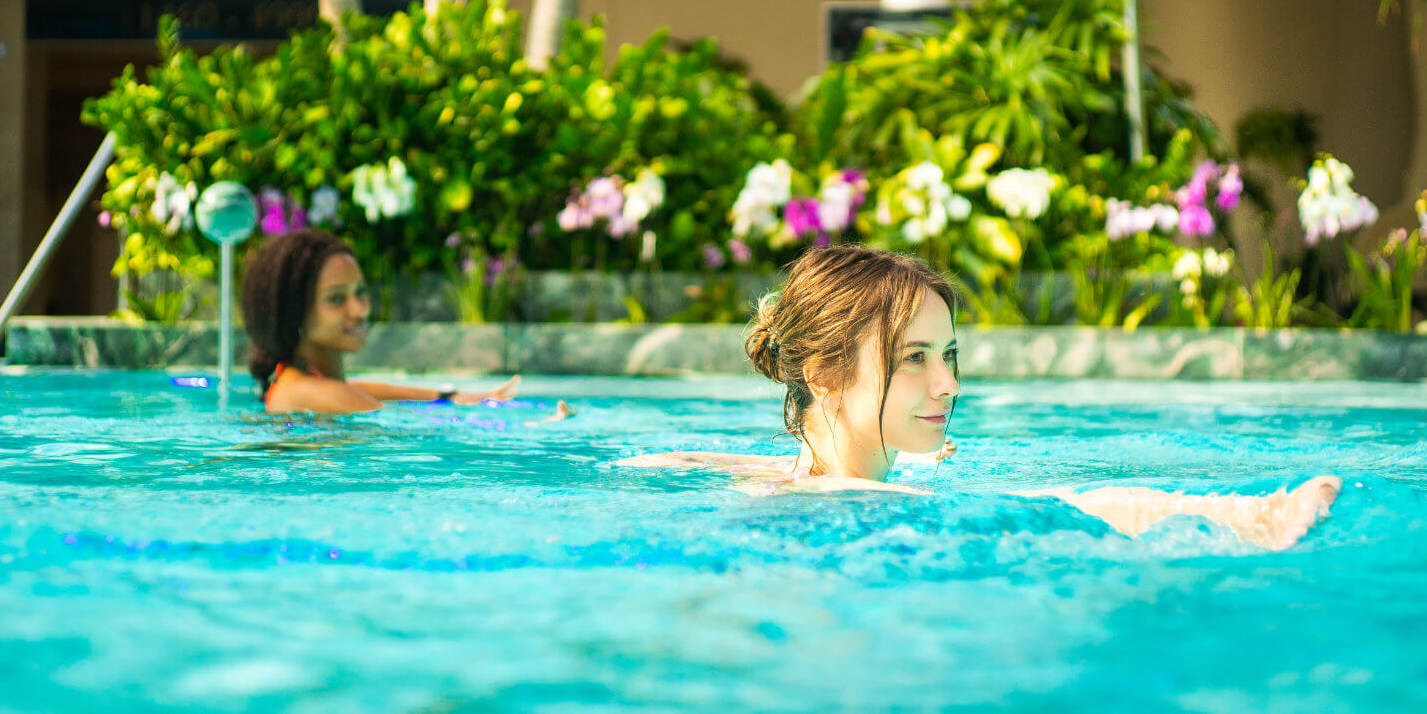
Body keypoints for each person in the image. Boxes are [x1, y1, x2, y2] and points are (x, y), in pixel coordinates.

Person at [623, 245, 1341, 550]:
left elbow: (734, 467)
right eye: (914, 360)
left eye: (950, 357)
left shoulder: (793, 479)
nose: (950, 386)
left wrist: (691, 460)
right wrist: (1243, 514)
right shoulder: (834, 502)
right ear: (824, 374)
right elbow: (1065, 507)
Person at [240, 229, 545, 416]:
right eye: (336, 299)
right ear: (295, 312)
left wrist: (453, 399)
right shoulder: (322, 393)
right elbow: (406, 442)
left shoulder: (301, 382)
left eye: (360, 292)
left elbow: (360, 390)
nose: (359, 309)